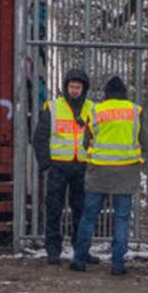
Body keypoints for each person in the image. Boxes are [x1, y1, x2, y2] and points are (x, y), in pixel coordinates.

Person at [73, 76, 142, 275]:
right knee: (121, 218)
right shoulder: (134, 111)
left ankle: (79, 259)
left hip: (98, 170)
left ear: (106, 94)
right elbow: (143, 138)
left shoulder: (96, 111)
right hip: (126, 170)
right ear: (124, 93)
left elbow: (87, 140)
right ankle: (117, 264)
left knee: (89, 216)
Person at [30, 67, 93, 265]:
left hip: (82, 166)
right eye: (72, 86)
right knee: (54, 209)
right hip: (58, 167)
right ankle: (53, 251)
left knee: (81, 211)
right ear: (65, 87)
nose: (74, 90)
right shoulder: (53, 107)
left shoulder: (92, 109)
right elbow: (40, 136)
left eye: (78, 87)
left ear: (84, 89)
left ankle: (81, 250)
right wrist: (46, 163)